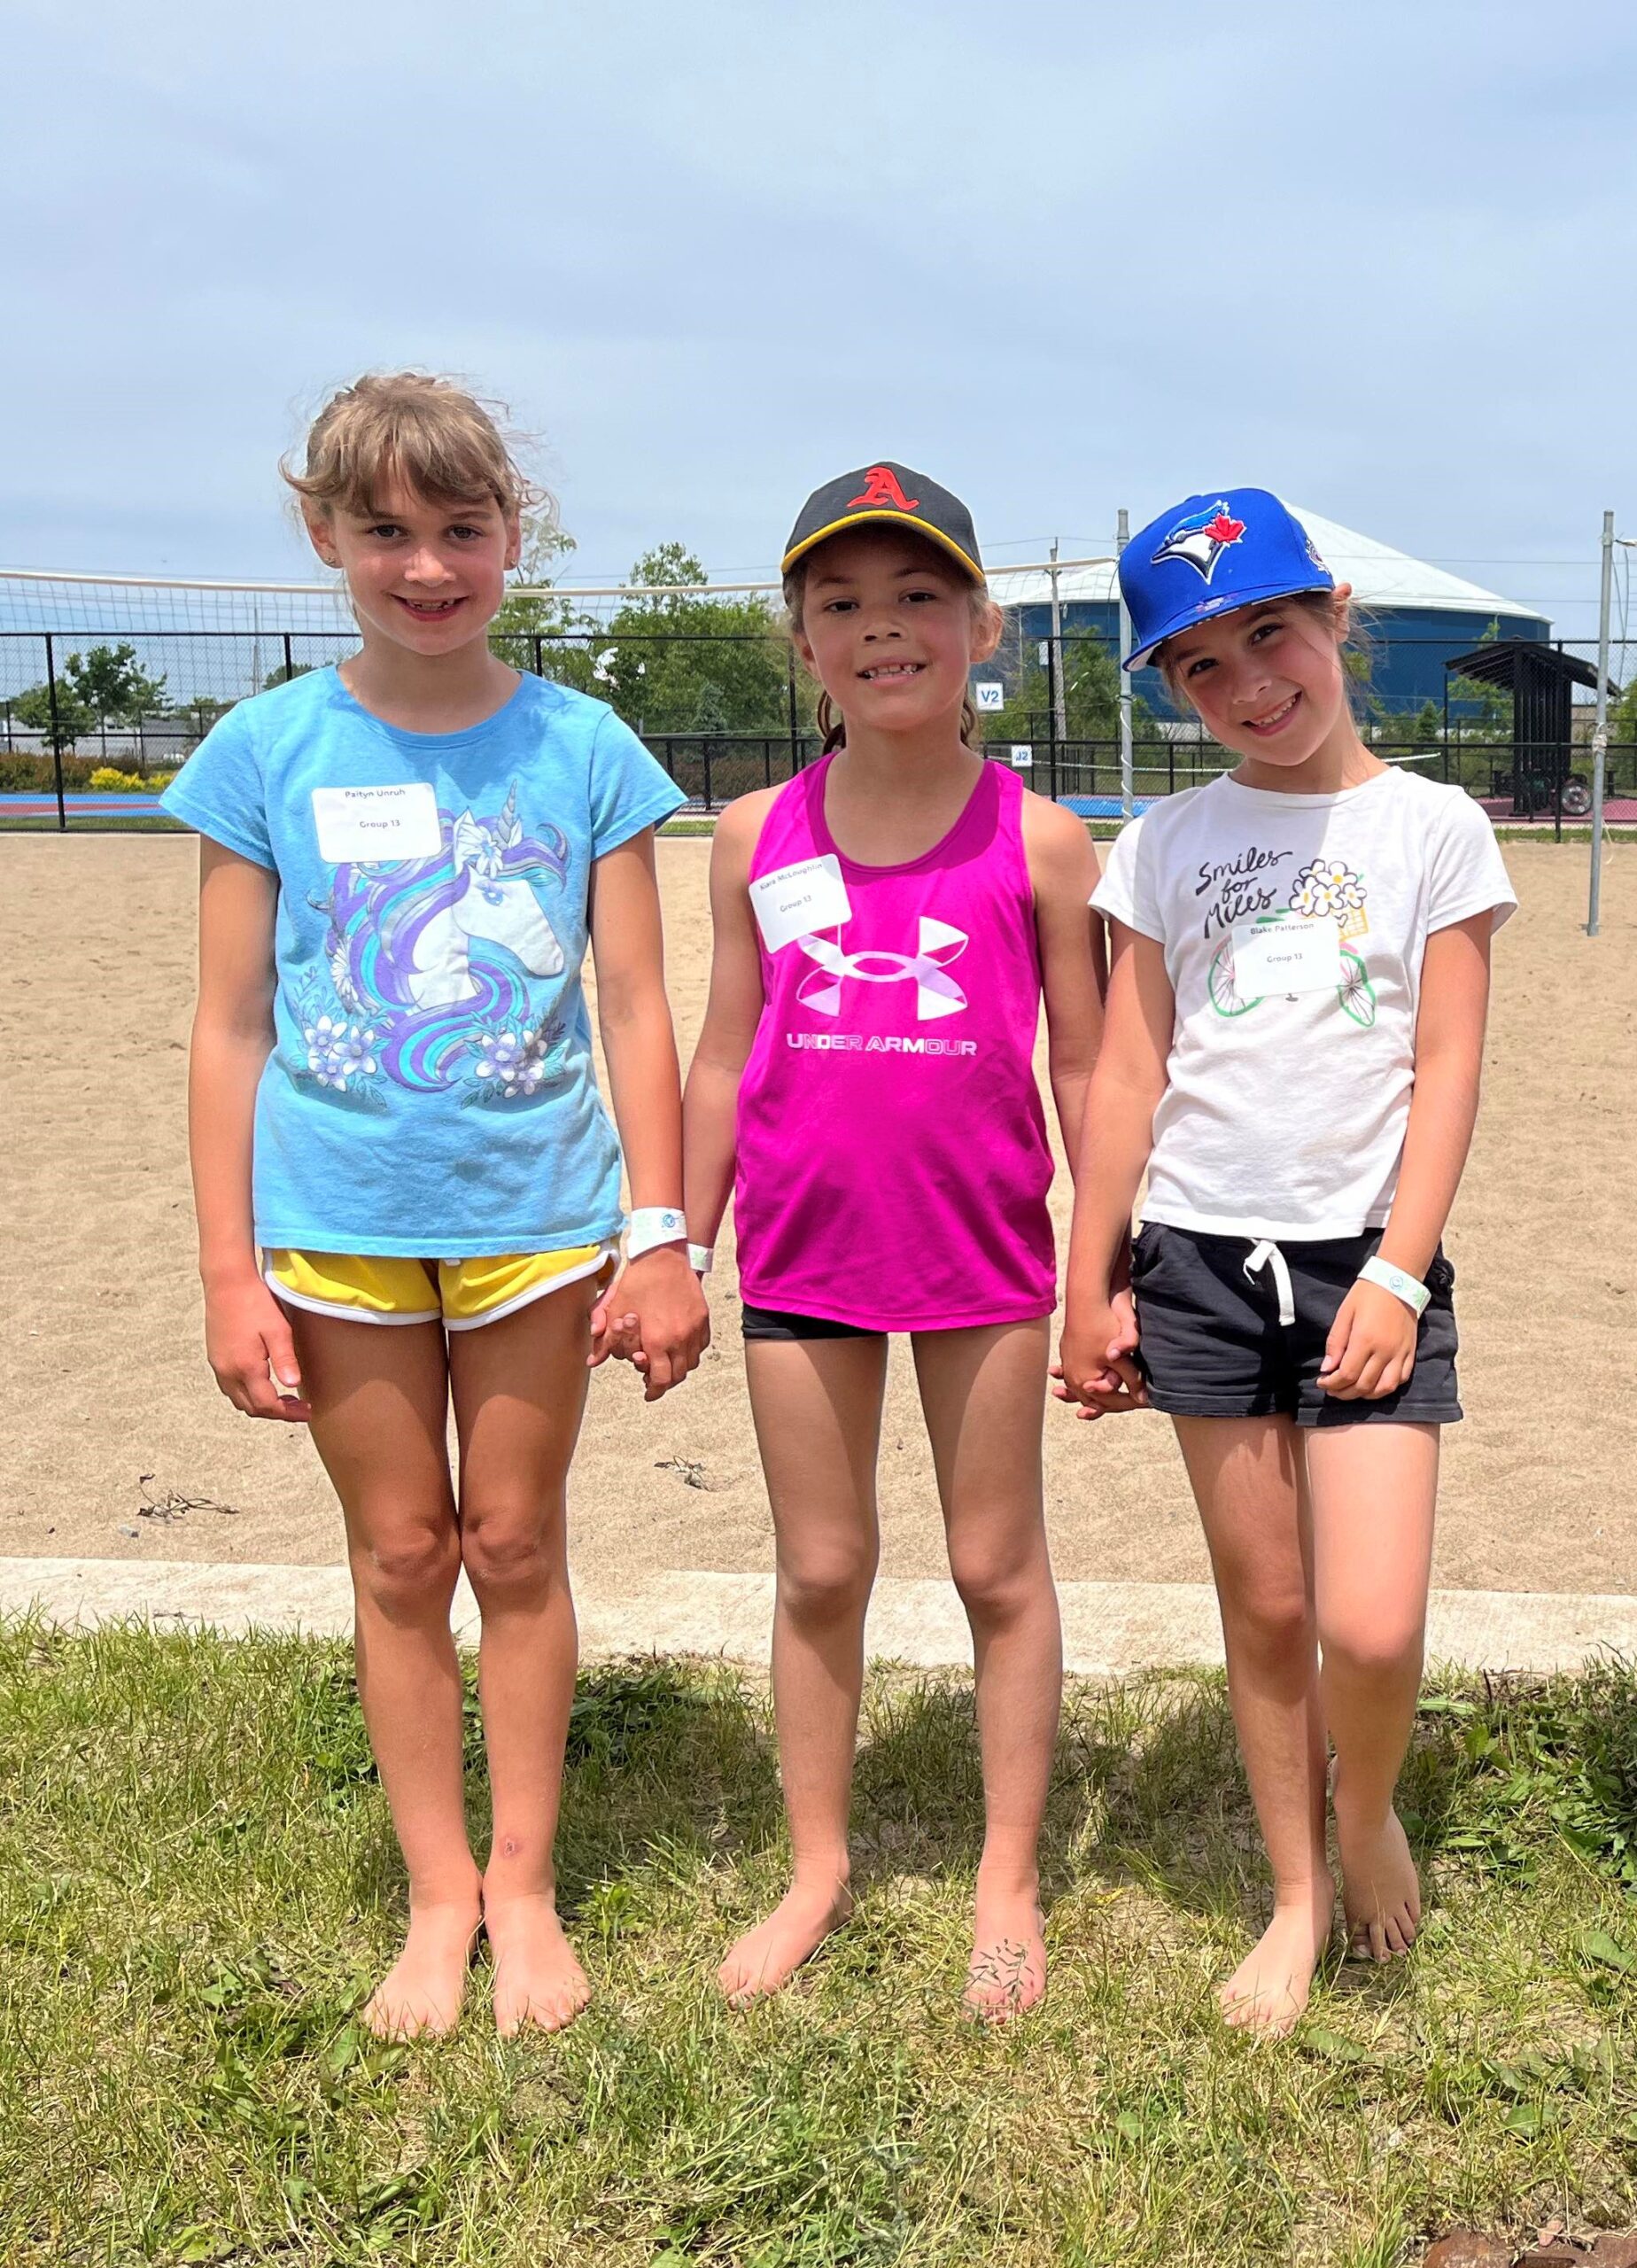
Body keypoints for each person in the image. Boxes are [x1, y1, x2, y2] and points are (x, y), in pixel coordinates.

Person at [160, 371, 708, 2039]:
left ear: (511, 536)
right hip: (334, 1216)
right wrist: (226, 1274)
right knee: (401, 1551)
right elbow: (231, 1021)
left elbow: (632, 1008)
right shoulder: (266, 749)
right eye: (385, 529)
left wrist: (663, 1232)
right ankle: (438, 1893)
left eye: (459, 528)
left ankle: (526, 1885)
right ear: (323, 533)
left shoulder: (586, 747)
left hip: (539, 1208)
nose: (425, 564)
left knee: (515, 1539)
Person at [1058, 489, 1516, 2036]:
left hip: (1361, 1268)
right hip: (1196, 1254)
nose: (1250, 682)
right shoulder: (1166, 842)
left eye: (1271, 632)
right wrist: (1089, 1275)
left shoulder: (1432, 827)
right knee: (1265, 1610)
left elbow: (1446, 1070)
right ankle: (1296, 1891)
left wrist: (1397, 1272)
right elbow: (1129, 1072)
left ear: (1335, 618)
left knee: (1371, 1624)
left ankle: (1366, 1803)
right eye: (1199, 665)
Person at [680, 462, 1105, 2018]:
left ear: (982, 623)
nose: (884, 630)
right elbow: (725, 1053)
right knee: (821, 1567)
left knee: (998, 1565)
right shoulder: (750, 835)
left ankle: (1006, 1873)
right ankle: (818, 1867)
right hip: (802, 1259)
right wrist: (677, 1240)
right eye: (842, 605)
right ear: (801, 642)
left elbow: (1087, 1068)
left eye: (920, 595)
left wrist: (1102, 1271)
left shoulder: (1046, 842)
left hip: (987, 1261)